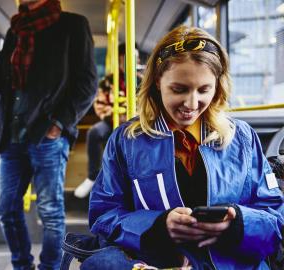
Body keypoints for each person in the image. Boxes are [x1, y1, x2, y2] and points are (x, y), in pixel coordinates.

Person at [84, 25, 284, 269]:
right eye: (179, 89)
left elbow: (276, 219)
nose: (191, 103)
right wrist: (158, 225)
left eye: (204, 90)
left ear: (217, 86)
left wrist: (238, 224)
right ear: (158, 81)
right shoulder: (126, 142)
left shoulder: (242, 138)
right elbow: (104, 216)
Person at [0, 0, 97, 269]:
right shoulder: (16, 31)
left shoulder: (72, 26)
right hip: (12, 136)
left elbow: (87, 84)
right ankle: (22, 264)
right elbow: (2, 81)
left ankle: (49, 267)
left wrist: (59, 124)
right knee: (6, 208)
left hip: (47, 135)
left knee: (49, 211)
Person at [74, 43, 141, 198]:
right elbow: (100, 104)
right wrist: (116, 115)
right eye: (128, 58)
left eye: (135, 58)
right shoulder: (109, 81)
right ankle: (92, 176)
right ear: (120, 59)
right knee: (94, 132)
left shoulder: (143, 81)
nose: (133, 61)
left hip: (138, 124)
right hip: (112, 121)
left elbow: (148, 106)